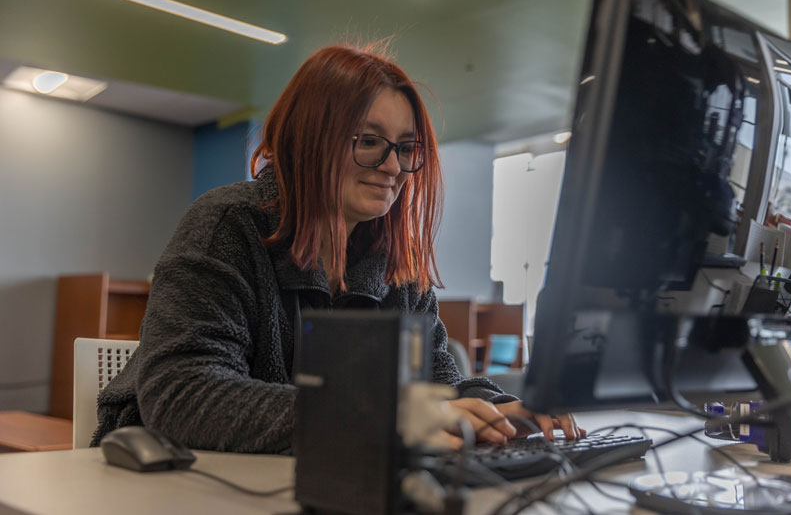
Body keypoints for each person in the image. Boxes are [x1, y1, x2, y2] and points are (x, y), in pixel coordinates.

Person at [92, 42, 584, 453]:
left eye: (406, 147)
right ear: (310, 139)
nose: (393, 166)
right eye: (369, 141)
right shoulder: (226, 226)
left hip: (306, 481)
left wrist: (498, 410)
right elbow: (183, 394)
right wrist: (377, 419)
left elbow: (442, 385)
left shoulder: (395, 268)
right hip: (172, 480)